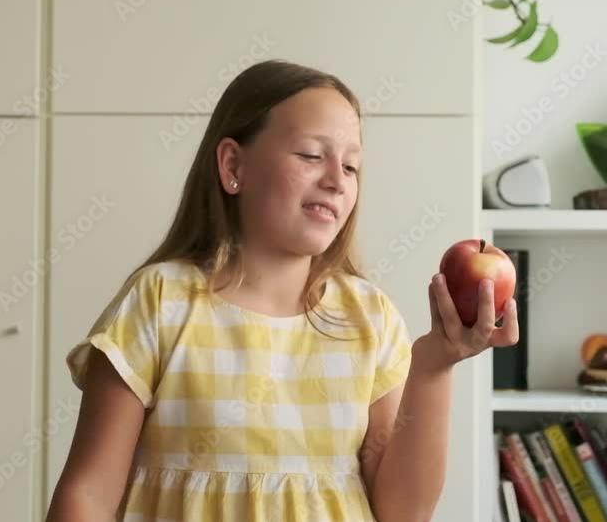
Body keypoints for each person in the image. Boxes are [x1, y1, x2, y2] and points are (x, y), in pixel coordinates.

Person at [45, 59, 519, 522]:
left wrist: (435, 365)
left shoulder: (368, 317)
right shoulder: (159, 302)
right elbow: (88, 494)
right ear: (234, 165)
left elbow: (403, 512)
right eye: (312, 155)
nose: (336, 180)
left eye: (351, 167)